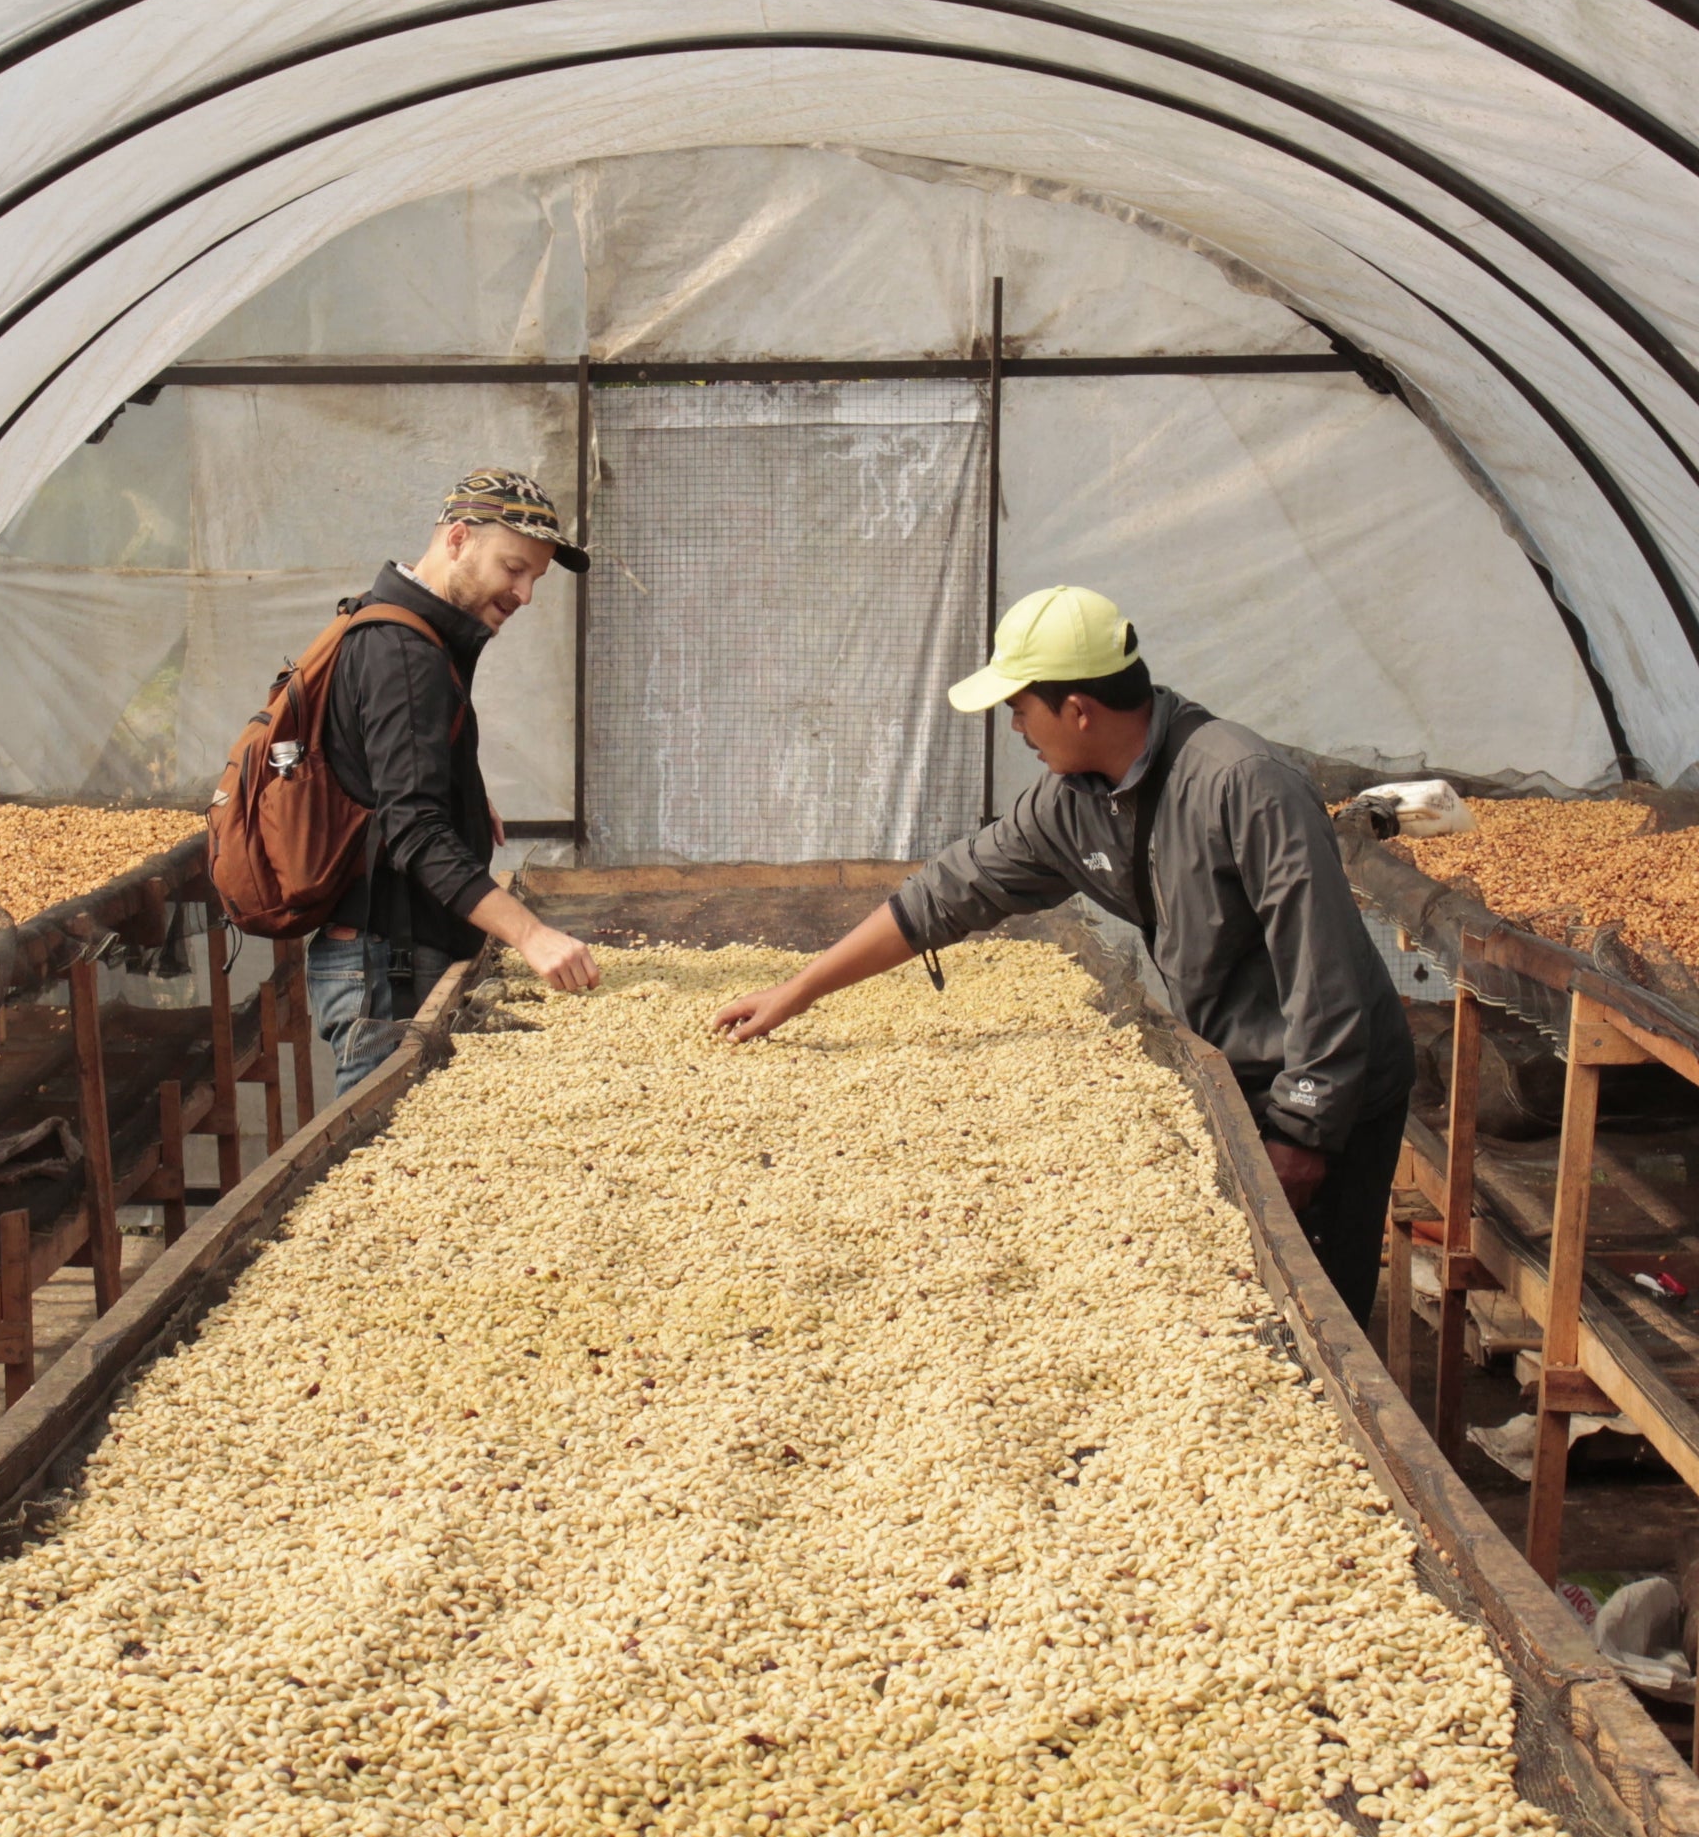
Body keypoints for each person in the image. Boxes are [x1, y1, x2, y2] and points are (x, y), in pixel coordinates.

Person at [713, 586, 1414, 1327]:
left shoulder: (1242, 785)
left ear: (1078, 710)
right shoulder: (1071, 801)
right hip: (1234, 1061)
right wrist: (798, 992)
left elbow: (1325, 970)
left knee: (1316, 1305)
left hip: (1331, 1078)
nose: (1014, 726)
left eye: (1021, 707)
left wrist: (1304, 1133)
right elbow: (942, 896)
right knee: (1238, 1283)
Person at [310, 469, 601, 1091]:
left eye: (534, 579)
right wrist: (532, 935)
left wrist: (459, 788)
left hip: (394, 956)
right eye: (513, 568)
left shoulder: (406, 630)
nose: (524, 594)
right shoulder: (404, 653)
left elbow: (377, 767)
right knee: (375, 1164)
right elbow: (412, 828)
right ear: (459, 539)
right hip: (384, 968)